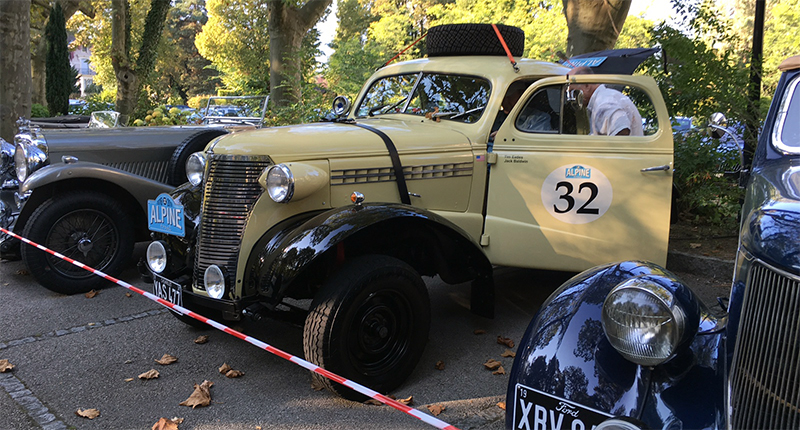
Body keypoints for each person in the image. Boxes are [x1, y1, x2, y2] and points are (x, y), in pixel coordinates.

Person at [566, 66, 643, 136]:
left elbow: (621, 131)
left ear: (587, 85)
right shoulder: (604, 98)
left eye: (574, 92)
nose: (573, 98)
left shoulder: (604, 103)